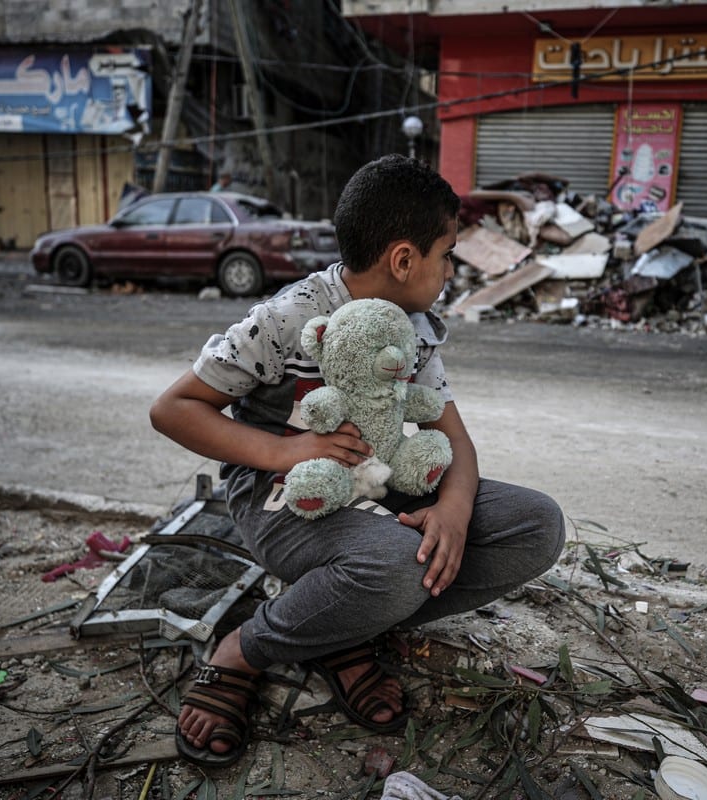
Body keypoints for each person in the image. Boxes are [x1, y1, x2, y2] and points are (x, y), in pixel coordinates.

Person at [150, 154, 565, 766]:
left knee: (537, 526)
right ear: (404, 259)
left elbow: (457, 442)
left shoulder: (414, 327)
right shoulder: (288, 318)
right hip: (285, 493)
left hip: (381, 479)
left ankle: (343, 626)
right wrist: (287, 449)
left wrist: (452, 509)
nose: (452, 270)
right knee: (397, 563)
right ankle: (243, 648)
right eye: (447, 254)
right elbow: (174, 408)